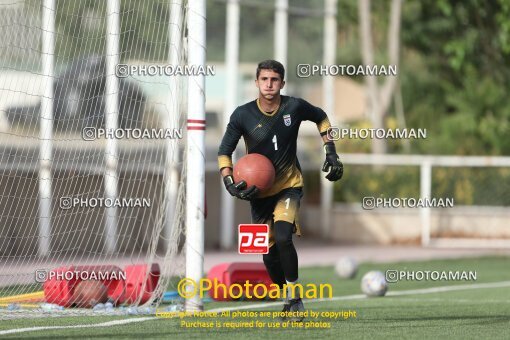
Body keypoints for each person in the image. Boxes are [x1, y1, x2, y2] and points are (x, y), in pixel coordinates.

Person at [218, 60, 343, 321]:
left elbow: (321, 118)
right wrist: (229, 182)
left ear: (282, 83)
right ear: (256, 83)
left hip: (289, 186)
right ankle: (286, 295)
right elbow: (224, 152)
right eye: (264, 79)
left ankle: (295, 298)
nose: (269, 84)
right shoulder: (242, 115)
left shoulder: (294, 106)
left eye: (274, 80)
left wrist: (331, 151)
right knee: (268, 256)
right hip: (258, 193)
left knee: (284, 235)